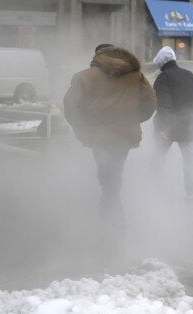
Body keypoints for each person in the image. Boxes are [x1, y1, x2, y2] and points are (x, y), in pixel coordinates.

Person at [63, 44, 157, 230]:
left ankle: (112, 219)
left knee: (107, 177)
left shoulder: (84, 76)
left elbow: (71, 107)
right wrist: (133, 119)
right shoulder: (136, 75)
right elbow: (151, 101)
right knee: (114, 172)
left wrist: (84, 129)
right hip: (124, 134)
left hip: (100, 135)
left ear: (97, 56)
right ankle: (112, 214)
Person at [151, 46, 193, 198]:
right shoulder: (189, 75)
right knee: (190, 162)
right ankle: (192, 194)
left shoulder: (163, 78)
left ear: (161, 63)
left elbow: (163, 105)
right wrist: (190, 117)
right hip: (188, 126)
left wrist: (162, 127)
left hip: (167, 128)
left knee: (158, 160)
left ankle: (154, 192)